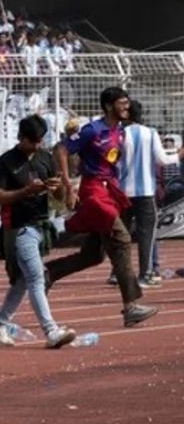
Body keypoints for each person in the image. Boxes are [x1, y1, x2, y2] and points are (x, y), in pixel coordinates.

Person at [47, 87, 157, 327]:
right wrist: (67, 182)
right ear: (108, 106)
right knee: (121, 238)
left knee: (93, 255)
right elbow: (62, 149)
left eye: (127, 103)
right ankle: (131, 306)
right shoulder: (92, 130)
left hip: (110, 190)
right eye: (122, 103)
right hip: (94, 191)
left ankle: (47, 273)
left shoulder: (120, 131)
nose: (126, 107)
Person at [0, 115, 77, 349]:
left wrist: (57, 191)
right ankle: (51, 330)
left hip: (40, 227)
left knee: (24, 280)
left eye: (40, 141)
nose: (36, 146)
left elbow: (57, 200)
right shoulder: (5, 162)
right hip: (17, 227)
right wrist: (26, 190)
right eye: (32, 141)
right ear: (20, 137)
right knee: (36, 277)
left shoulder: (46, 159)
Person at [117, 100, 182, 287]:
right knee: (147, 235)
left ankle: (118, 272)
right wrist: (179, 155)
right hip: (145, 191)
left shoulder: (120, 133)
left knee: (121, 234)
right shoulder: (150, 133)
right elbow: (162, 160)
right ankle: (145, 274)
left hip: (123, 190)